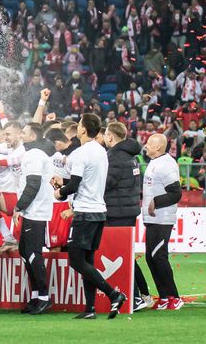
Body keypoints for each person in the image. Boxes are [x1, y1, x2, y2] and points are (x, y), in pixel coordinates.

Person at [54, 113, 128, 319]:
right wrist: (65, 183)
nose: (77, 127)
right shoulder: (101, 151)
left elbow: (75, 184)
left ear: (83, 130)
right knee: (88, 261)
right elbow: (84, 179)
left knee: (77, 261)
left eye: (79, 124)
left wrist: (59, 191)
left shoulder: (80, 153)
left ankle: (113, 294)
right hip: (99, 211)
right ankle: (90, 309)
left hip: (85, 212)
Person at [15, 122, 57, 314]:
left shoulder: (34, 155)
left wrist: (19, 206)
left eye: (23, 132)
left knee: (32, 253)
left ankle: (43, 297)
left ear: (32, 137)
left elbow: (33, 184)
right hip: (33, 210)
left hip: (36, 211)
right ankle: (35, 296)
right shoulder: (34, 154)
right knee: (25, 252)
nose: (20, 135)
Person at [103, 121, 145, 309]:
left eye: (105, 134)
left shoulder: (115, 157)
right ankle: (141, 294)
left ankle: (135, 296)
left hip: (116, 212)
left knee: (121, 255)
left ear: (110, 137)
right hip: (127, 210)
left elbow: (105, 184)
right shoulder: (131, 156)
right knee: (126, 254)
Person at [139, 132, 183, 310]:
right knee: (151, 258)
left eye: (149, 142)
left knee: (159, 257)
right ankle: (164, 296)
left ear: (158, 147)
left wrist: (156, 202)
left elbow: (176, 193)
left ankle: (174, 296)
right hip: (152, 218)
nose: (145, 144)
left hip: (162, 219)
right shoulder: (155, 162)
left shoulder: (166, 165)